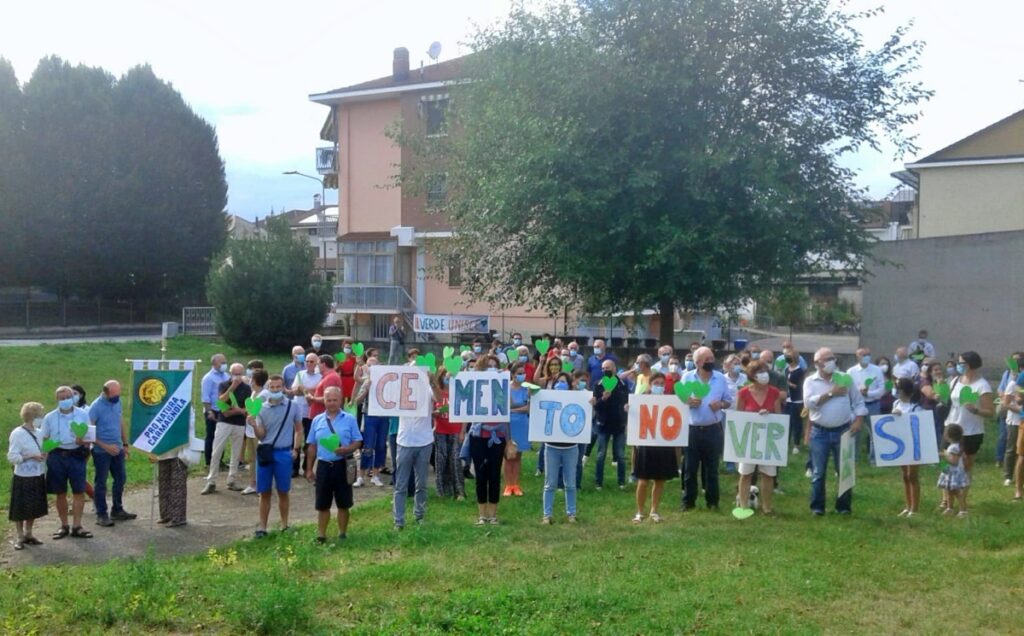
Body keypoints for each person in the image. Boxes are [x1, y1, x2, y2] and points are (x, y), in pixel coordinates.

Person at [803, 347, 867, 516]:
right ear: (817, 363)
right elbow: (809, 404)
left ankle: (843, 507)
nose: (832, 361)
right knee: (818, 472)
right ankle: (817, 507)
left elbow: (859, 402)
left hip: (844, 430)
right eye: (827, 359)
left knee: (844, 471)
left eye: (833, 358)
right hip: (819, 432)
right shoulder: (811, 381)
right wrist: (831, 393)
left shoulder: (845, 378)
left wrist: (859, 420)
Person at [305, 386, 363, 543]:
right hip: (324, 465)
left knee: (343, 502)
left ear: (340, 400)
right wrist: (309, 468)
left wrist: (347, 449)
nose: (331, 403)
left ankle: (342, 533)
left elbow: (358, 441)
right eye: (328, 400)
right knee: (322, 503)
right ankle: (321, 535)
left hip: (342, 465)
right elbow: (311, 445)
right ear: (324, 400)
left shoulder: (349, 419)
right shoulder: (317, 420)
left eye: (335, 400)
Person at [251, 375, 305, 538]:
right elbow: (261, 435)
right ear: (268, 388)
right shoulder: (261, 408)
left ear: (283, 388)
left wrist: (296, 449)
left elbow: (299, 429)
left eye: (278, 387)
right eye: (272, 387)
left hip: (284, 452)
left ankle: (284, 524)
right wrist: (254, 425)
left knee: (283, 491)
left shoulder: (293, 406)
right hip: (266, 452)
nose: (275, 390)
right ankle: (262, 527)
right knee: (264, 491)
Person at [680, 347, 732, 511]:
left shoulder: (720, 378)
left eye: (711, 358)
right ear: (697, 362)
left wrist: (721, 405)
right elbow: (679, 400)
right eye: (706, 359)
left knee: (712, 469)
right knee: (690, 469)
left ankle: (713, 502)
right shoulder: (687, 377)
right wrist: (688, 401)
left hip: (713, 429)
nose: (710, 361)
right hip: (692, 429)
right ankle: (688, 502)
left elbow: (728, 401)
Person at [392, 360, 439, 530]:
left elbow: (439, 398)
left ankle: (419, 516)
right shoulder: (400, 391)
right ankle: (398, 520)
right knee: (401, 484)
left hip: (424, 441)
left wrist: (433, 381)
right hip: (404, 441)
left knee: (422, 484)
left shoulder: (427, 389)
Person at [734, 361, 785, 517]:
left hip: (768, 439)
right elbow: (738, 416)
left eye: (765, 371)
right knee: (746, 472)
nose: (765, 374)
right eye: (760, 371)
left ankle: (767, 506)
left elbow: (779, 416)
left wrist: (769, 416)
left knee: (768, 474)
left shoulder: (774, 392)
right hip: (749, 439)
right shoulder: (743, 393)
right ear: (752, 376)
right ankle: (743, 505)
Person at [41, 386, 93, 539]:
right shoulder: (49, 417)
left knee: (78, 490)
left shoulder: (83, 414)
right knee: (60, 492)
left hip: (76, 454)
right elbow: (44, 438)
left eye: (67, 397)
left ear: (73, 398)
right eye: (61, 398)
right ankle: (64, 525)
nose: (65, 400)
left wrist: (83, 441)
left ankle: (77, 525)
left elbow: (89, 436)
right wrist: (49, 447)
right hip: (57, 455)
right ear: (57, 400)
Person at [88, 380, 136, 527]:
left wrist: (125, 443)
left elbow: (120, 421)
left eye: (118, 394)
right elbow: (89, 433)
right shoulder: (95, 407)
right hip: (102, 451)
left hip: (118, 448)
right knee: (101, 482)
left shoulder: (117, 402)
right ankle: (101, 514)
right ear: (105, 392)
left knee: (120, 479)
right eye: (114, 395)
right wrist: (105, 446)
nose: (117, 397)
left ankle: (117, 509)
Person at [632, 373, 678, 524]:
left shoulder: (671, 401)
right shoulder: (641, 400)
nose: (659, 386)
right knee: (643, 480)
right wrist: (629, 409)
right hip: (646, 444)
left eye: (662, 384)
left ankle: (654, 510)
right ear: (650, 385)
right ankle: (640, 511)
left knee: (660, 480)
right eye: (656, 383)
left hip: (664, 444)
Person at [201, 363, 251, 495]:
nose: (237, 376)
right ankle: (211, 481)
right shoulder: (223, 385)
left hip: (239, 424)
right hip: (224, 423)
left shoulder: (246, 388)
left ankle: (232, 479)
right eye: (235, 373)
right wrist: (232, 388)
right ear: (230, 373)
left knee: (236, 453)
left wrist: (237, 411)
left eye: (240, 373)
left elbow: (248, 408)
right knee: (217, 451)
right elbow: (221, 400)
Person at [945, 351, 994, 479]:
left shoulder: (982, 385)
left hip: (971, 431)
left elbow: (990, 412)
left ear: (970, 364)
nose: (958, 366)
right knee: (947, 463)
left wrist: (976, 410)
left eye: (961, 363)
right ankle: (946, 497)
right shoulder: (955, 381)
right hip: (951, 428)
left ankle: (962, 497)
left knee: (966, 466)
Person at [539, 373, 579, 525]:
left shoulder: (577, 399)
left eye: (563, 382)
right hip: (551, 447)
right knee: (550, 483)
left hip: (571, 448)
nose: (560, 384)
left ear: (569, 385)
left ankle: (572, 513)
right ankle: (547, 515)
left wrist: (590, 403)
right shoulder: (547, 397)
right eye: (558, 382)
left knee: (570, 483)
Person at [8, 402, 49, 550]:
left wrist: (44, 454)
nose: (42, 418)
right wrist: (30, 456)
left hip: (37, 473)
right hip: (23, 475)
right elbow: (13, 457)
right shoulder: (17, 433)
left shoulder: (39, 433)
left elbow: (42, 449)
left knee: (33, 506)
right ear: (33, 416)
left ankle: (29, 533)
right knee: (20, 507)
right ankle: (19, 536)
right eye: (40, 415)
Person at [468, 400, 509, 526]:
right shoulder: (476, 392)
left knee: (494, 476)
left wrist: (509, 440)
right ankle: (482, 516)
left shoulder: (501, 392)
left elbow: (507, 415)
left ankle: (492, 516)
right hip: (477, 437)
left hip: (498, 437)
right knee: (480, 477)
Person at [593, 359, 629, 490]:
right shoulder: (598, 385)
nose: (605, 370)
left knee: (620, 455)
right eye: (603, 368)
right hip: (603, 425)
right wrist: (603, 399)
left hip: (619, 425)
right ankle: (598, 482)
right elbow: (595, 406)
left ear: (614, 369)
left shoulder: (623, 385)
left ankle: (621, 482)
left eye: (607, 368)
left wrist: (626, 408)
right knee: (600, 455)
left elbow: (627, 401)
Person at [352, 357, 388, 488]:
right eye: (369, 366)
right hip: (370, 416)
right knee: (368, 446)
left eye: (374, 366)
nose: (372, 369)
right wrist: (366, 389)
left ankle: (376, 475)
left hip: (383, 416)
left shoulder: (386, 381)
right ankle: (361, 476)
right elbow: (357, 401)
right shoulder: (366, 382)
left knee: (380, 445)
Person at [892, 378, 924, 517]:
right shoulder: (896, 403)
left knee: (912, 475)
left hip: (913, 444)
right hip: (901, 443)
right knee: (905, 475)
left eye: (897, 388)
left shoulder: (916, 407)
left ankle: (914, 508)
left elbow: (920, 426)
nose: (895, 391)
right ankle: (907, 505)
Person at [847, 347, 886, 461]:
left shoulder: (876, 370)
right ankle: (853, 458)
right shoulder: (851, 371)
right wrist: (859, 392)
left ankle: (874, 458)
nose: (866, 357)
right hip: (856, 405)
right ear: (857, 356)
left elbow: (881, 389)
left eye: (868, 354)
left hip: (873, 404)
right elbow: (848, 389)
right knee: (854, 432)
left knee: (875, 433)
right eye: (863, 355)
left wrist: (868, 393)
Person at [432, 368, 465, 500]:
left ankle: (459, 490)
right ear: (441, 377)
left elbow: (464, 414)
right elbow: (431, 409)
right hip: (440, 430)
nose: (448, 379)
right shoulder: (437, 393)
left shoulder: (459, 393)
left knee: (455, 460)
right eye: (446, 376)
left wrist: (462, 431)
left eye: (451, 377)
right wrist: (435, 414)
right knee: (441, 460)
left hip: (455, 431)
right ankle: (442, 491)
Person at [290, 353, 321, 477]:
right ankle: (294, 467)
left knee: (309, 442)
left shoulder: (320, 376)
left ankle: (307, 467)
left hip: (311, 413)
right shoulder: (300, 374)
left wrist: (304, 389)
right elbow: (294, 391)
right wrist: (308, 391)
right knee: (295, 441)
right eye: (307, 361)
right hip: (298, 412)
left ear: (316, 363)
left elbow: (317, 392)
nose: (308, 363)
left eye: (311, 361)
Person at [504, 362, 531, 496]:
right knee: (509, 456)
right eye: (519, 373)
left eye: (523, 373)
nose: (522, 375)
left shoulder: (527, 389)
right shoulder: (506, 387)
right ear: (513, 374)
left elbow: (528, 408)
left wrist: (512, 410)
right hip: (509, 425)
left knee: (518, 456)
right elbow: (503, 407)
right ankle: (508, 485)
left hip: (522, 424)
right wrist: (515, 410)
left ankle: (516, 484)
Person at [200, 353, 229, 467]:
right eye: (222, 362)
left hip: (224, 410)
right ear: (214, 363)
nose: (224, 364)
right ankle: (209, 461)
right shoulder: (208, 378)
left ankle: (219, 460)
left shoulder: (226, 376)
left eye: (225, 362)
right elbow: (205, 397)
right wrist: (209, 412)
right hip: (213, 410)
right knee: (211, 436)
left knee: (222, 437)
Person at [937, 424, 969, 517]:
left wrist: (944, 455)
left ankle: (963, 510)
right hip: (951, 473)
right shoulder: (957, 446)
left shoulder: (953, 448)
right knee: (949, 491)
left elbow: (953, 461)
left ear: (947, 435)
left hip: (954, 474)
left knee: (956, 492)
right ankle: (949, 508)